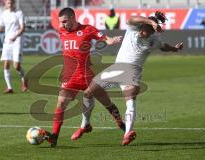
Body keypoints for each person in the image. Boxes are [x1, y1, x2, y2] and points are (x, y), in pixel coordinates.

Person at [73, 11, 183, 145]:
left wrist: (175, 49)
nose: (142, 31)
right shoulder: (132, 29)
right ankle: (85, 125)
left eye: (146, 30)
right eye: (142, 27)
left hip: (132, 71)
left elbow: (164, 47)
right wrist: (151, 22)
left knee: (130, 100)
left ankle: (127, 134)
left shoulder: (154, 39)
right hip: (116, 68)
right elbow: (132, 18)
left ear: (152, 31)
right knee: (88, 93)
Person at [42, 7, 124, 147]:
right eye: (60, 22)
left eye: (65, 21)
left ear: (73, 17)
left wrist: (110, 40)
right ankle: (54, 137)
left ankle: (122, 125)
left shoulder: (88, 29)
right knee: (61, 103)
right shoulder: (62, 31)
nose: (62, 25)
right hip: (69, 77)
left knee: (106, 102)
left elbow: (105, 38)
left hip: (87, 76)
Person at [0, 0, 27, 93]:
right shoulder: (4, 14)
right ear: (5, 4)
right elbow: (1, 27)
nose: (9, 5)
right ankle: (9, 87)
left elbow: (23, 28)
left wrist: (15, 37)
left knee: (17, 66)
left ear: (14, 4)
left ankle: (25, 79)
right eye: (8, 3)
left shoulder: (19, 13)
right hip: (7, 42)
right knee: (6, 64)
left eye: (11, 3)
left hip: (17, 41)